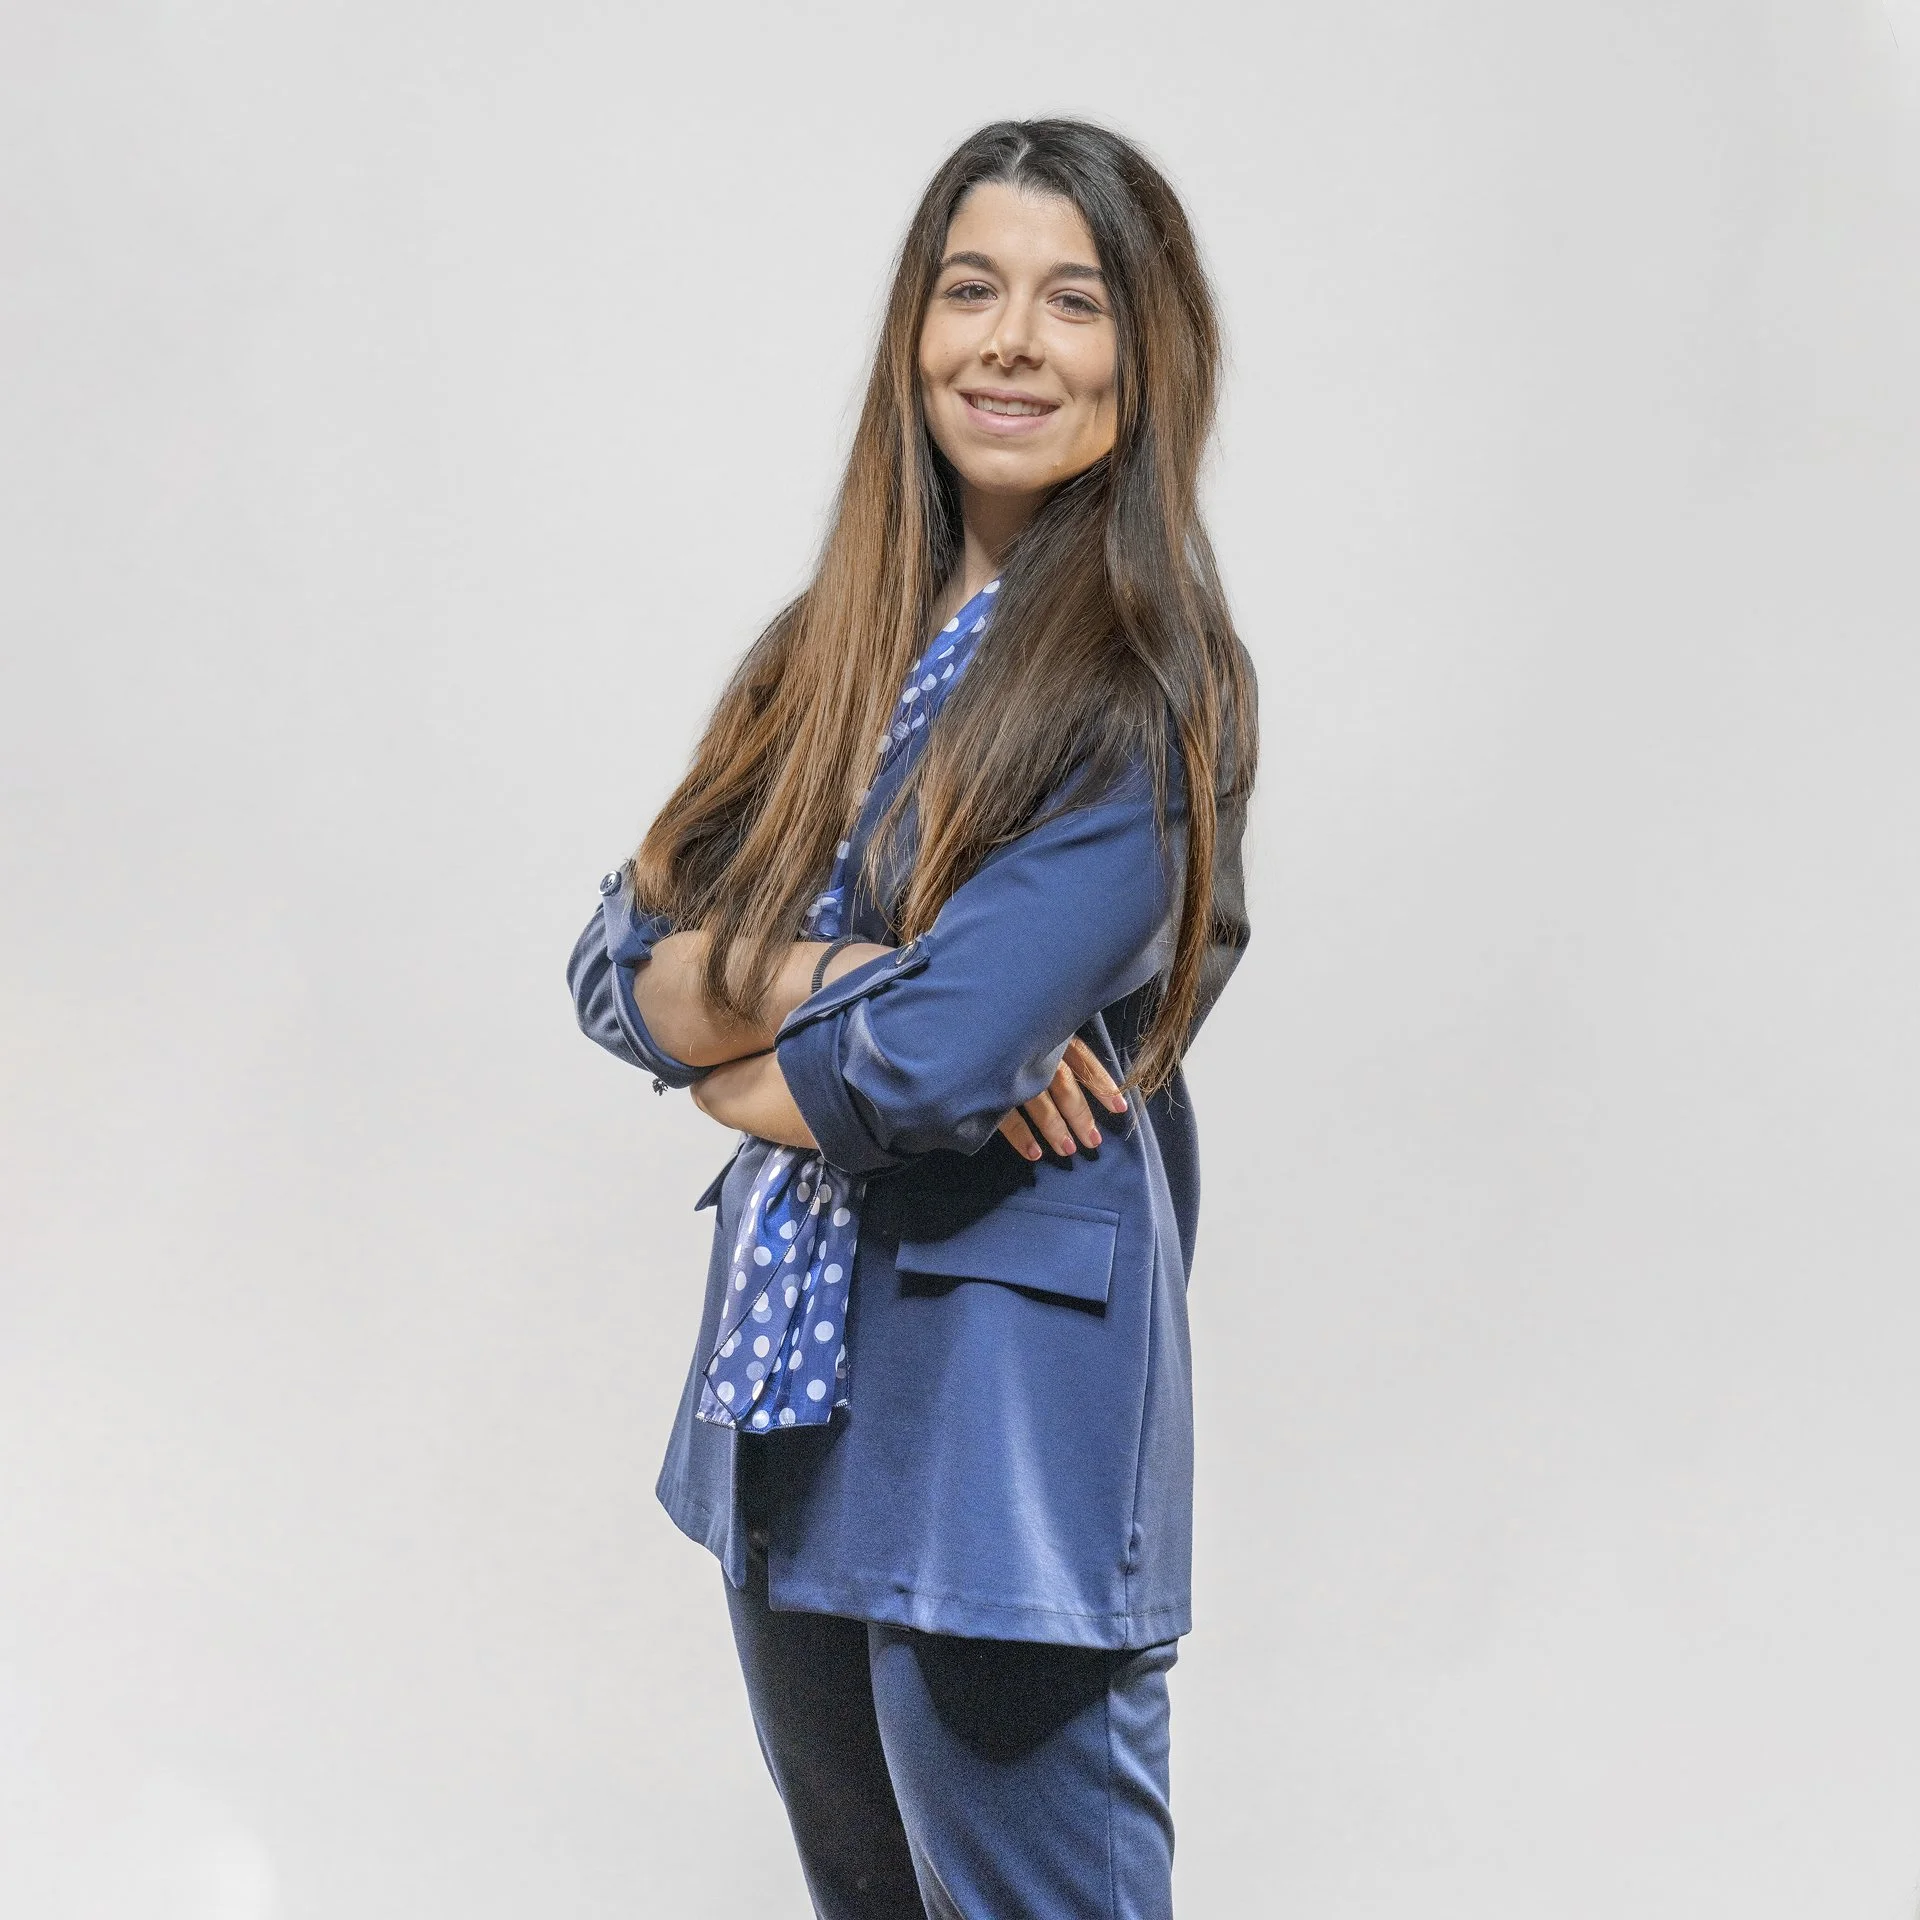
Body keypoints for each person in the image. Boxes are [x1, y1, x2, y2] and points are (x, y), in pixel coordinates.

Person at [568, 117, 1256, 1920]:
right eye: (971, 291)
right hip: (787, 1401)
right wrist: (838, 982)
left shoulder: (1142, 678)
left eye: (1072, 302)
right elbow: (612, 964)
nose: (1011, 342)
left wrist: (734, 1040)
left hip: (1001, 1429)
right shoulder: (826, 649)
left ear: (1147, 355)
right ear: (914, 329)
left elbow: (939, 1061)